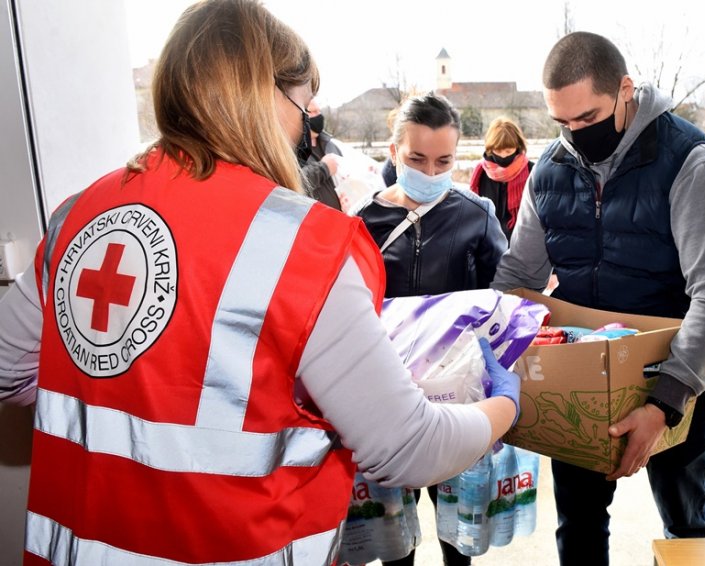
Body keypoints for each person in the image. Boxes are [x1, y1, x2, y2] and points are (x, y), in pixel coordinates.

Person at [0, 2, 520, 565]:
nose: (311, 116)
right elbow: (409, 448)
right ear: (257, 95)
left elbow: (9, 372)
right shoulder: (305, 245)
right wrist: (503, 408)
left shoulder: (79, 214)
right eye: (302, 100)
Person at [491, 31, 705, 566]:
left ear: (625, 89)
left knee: (685, 519)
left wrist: (664, 403)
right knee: (578, 524)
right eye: (561, 123)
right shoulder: (550, 171)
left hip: (678, 371)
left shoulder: (688, 162)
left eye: (587, 119)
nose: (575, 136)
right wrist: (485, 351)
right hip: (583, 373)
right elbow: (518, 274)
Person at [354, 92, 508, 565]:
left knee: (456, 534)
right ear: (394, 150)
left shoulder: (475, 214)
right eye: (417, 158)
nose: (431, 171)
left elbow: (500, 301)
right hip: (386, 399)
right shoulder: (363, 220)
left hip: (455, 400)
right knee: (394, 539)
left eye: (444, 160)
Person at [469, 116, 534, 241]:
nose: (503, 156)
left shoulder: (532, 171)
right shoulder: (481, 173)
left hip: (522, 242)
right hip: (487, 242)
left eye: (508, 150)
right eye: (498, 150)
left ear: (518, 146)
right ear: (490, 148)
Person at [301, 97, 345, 210]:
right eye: (314, 111)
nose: (319, 116)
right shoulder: (293, 150)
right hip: (314, 222)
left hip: (342, 219)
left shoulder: (331, 145)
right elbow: (293, 183)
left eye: (319, 111)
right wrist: (324, 168)